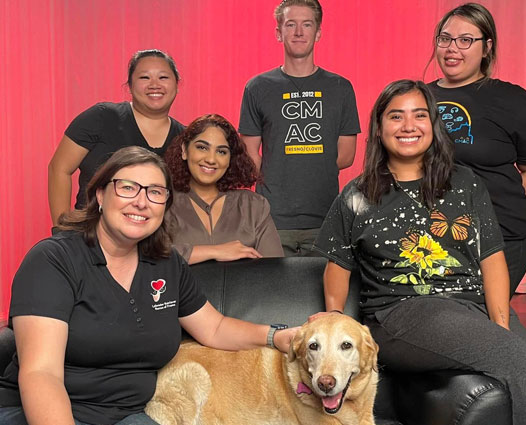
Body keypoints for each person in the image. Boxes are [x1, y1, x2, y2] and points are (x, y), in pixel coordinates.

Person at [312, 80, 526, 425]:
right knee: (512, 355)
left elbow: (492, 259)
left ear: (433, 125)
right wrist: (334, 323)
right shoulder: (356, 195)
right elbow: (337, 267)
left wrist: (500, 329)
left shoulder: (466, 183)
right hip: (402, 313)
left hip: (470, 307)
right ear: (379, 129)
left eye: (419, 115)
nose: (408, 126)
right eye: (396, 116)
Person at [0, 147, 298, 425]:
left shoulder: (166, 264)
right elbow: (41, 375)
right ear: (100, 195)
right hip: (29, 415)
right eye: (128, 188)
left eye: (156, 192)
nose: (142, 202)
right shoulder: (54, 260)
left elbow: (215, 328)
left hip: (123, 418)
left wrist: (277, 335)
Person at [425, 3, 526, 297]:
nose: (452, 48)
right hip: (435, 236)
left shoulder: (516, 102)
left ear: (486, 48)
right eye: (445, 39)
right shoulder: (418, 98)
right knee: (441, 322)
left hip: (501, 238)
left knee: (481, 323)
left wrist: (486, 218)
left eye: (466, 40)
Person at [238, 0, 361, 256]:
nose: (298, 32)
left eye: (307, 25)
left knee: (322, 293)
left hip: (325, 215)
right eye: (290, 24)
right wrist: (281, 173)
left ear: (318, 32)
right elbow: (249, 154)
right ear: (278, 32)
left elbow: (346, 155)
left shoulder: (340, 88)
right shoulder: (257, 87)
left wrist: (306, 167)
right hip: (272, 218)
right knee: (273, 293)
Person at [48, 49, 185, 227]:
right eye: (144, 78)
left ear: (177, 84)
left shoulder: (185, 138)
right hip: (90, 236)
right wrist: (62, 231)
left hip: (154, 242)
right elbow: (59, 168)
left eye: (163, 77)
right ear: (129, 85)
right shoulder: (102, 117)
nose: (154, 85)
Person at [165, 114, 284, 264]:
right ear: (184, 150)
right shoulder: (162, 202)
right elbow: (145, 259)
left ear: (230, 159)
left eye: (221, 151)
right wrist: (216, 251)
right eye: (202, 147)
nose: (211, 159)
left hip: (245, 287)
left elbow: (274, 271)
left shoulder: (254, 206)